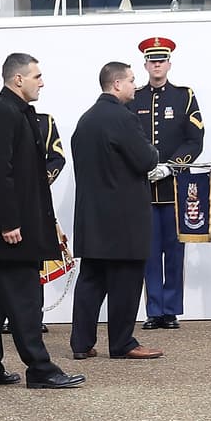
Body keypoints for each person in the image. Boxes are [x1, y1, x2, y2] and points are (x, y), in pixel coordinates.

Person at [0, 53, 85, 390]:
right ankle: (40, 370)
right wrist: (9, 223)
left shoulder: (13, 112)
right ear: (18, 79)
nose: (41, 82)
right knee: (26, 298)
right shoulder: (2, 114)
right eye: (36, 76)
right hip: (6, 232)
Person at [69, 61, 165, 361]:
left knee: (91, 281)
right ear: (116, 84)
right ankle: (122, 343)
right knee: (126, 281)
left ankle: (81, 343)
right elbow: (146, 159)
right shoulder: (123, 118)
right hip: (123, 218)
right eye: (131, 80)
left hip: (91, 216)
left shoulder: (85, 120)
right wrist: (154, 153)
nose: (135, 86)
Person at [129, 38, 204, 331]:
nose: (157, 64)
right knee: (148, 252)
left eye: (162, 60)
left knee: (174, 251)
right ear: (145, 64)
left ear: (169, 64)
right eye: (152, 60)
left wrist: (172, 166)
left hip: (175, 188)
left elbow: (194, 139)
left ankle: (171, 310)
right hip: (143, 188)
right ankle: (154, 309)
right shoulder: (133, 97)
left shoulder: (184, 96)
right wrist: (143, 166)